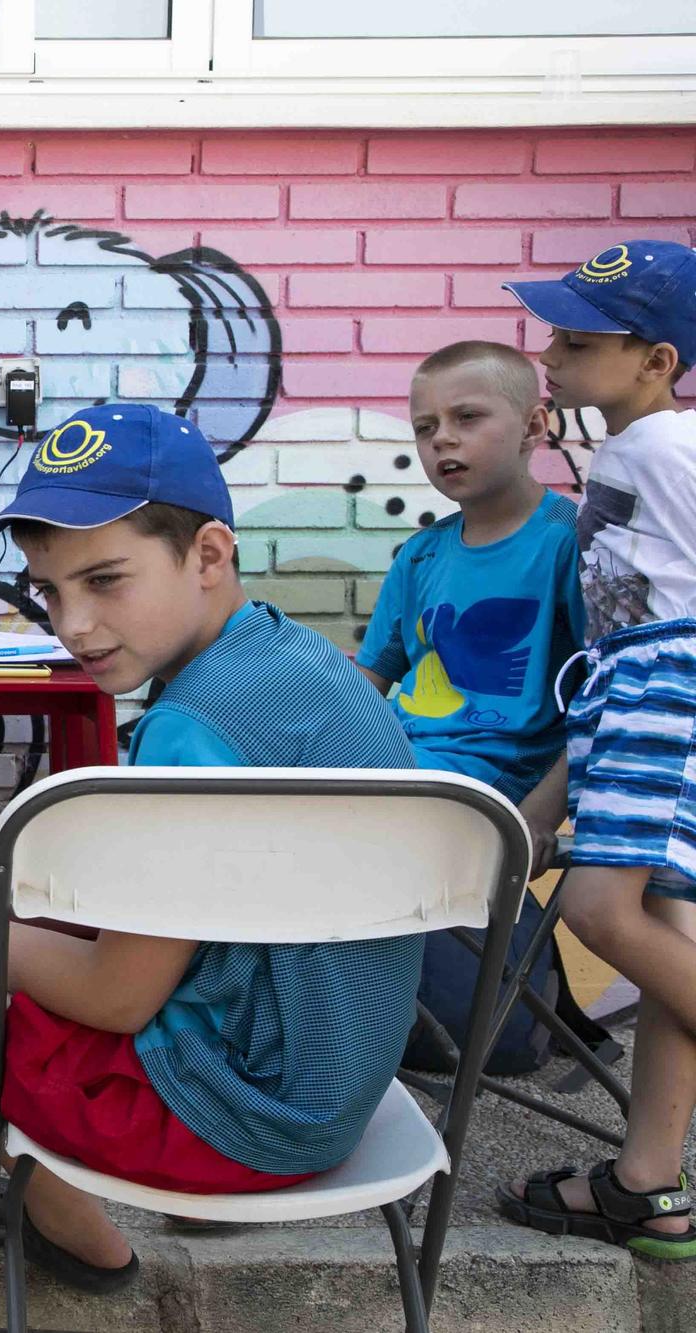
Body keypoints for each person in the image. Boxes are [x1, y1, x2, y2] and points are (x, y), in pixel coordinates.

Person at [0, 404, 422, 1291]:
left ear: (208, 554)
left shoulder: (192, 731)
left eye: (106, 580)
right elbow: (148, 914)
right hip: (311, 1087)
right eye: (50, 589)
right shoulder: (286, 662)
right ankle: (70, 1232)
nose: (73, 623)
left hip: (227, 1118)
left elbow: (115, 996)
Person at [496, 241, 696, 1261]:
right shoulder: (634, 449)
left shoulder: (666, 449)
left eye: (577, 343)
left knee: (597, 907)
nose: (551, 357)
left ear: (654, 360)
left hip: (663, 687)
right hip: (633, 689)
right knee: (665, 943)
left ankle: (642, 1181)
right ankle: (641, 1184)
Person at [357, 340, 583, 826]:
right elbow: (366, 686)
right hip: (407, 762)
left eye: (467, 418)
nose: (442, 439)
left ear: (533, 427)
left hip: (497, 775)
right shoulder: (421, 555)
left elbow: (603, 697)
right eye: (425, 427)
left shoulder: (570, 541)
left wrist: (541, 817)